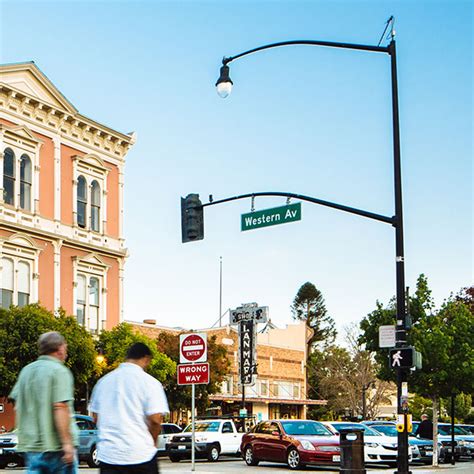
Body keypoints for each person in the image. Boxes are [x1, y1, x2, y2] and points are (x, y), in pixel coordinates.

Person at [89, 342, 169, 474]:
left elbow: (96, 417)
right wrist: (152, 442)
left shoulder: (103, 382)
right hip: (141, 455)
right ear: (146, 358)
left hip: (109, 456)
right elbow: (155, 420)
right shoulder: (150, 383)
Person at [9, 331, 78, 474]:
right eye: (65, 348)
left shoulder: (26, 371)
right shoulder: (59, 371)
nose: (66, 352)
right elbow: (60, 407)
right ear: (59, 349)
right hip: (56, 448)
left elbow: (17, 403)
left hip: (31, 446)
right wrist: (67, 444)